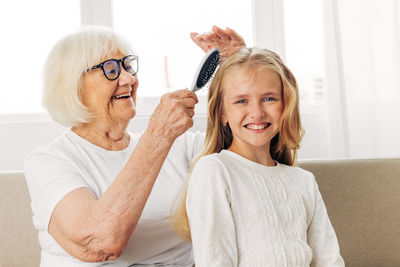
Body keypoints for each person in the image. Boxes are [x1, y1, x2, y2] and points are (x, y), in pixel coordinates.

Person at [24, 25, 245, 267]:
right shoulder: (50, 161)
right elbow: (99, 243)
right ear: (72, 85)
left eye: (128, 66)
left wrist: (242, 68)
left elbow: (255, 150)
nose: (129, 79)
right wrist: (158, 136)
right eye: (110, 69)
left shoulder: (179, 146)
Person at [171, 47, 345, 266]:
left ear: (286, 105)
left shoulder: (303, 181)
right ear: (223, 112)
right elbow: (215, 260)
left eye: (269, 99)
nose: (257, 112)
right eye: (241, 101)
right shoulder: (214, 171)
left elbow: (329, 260)